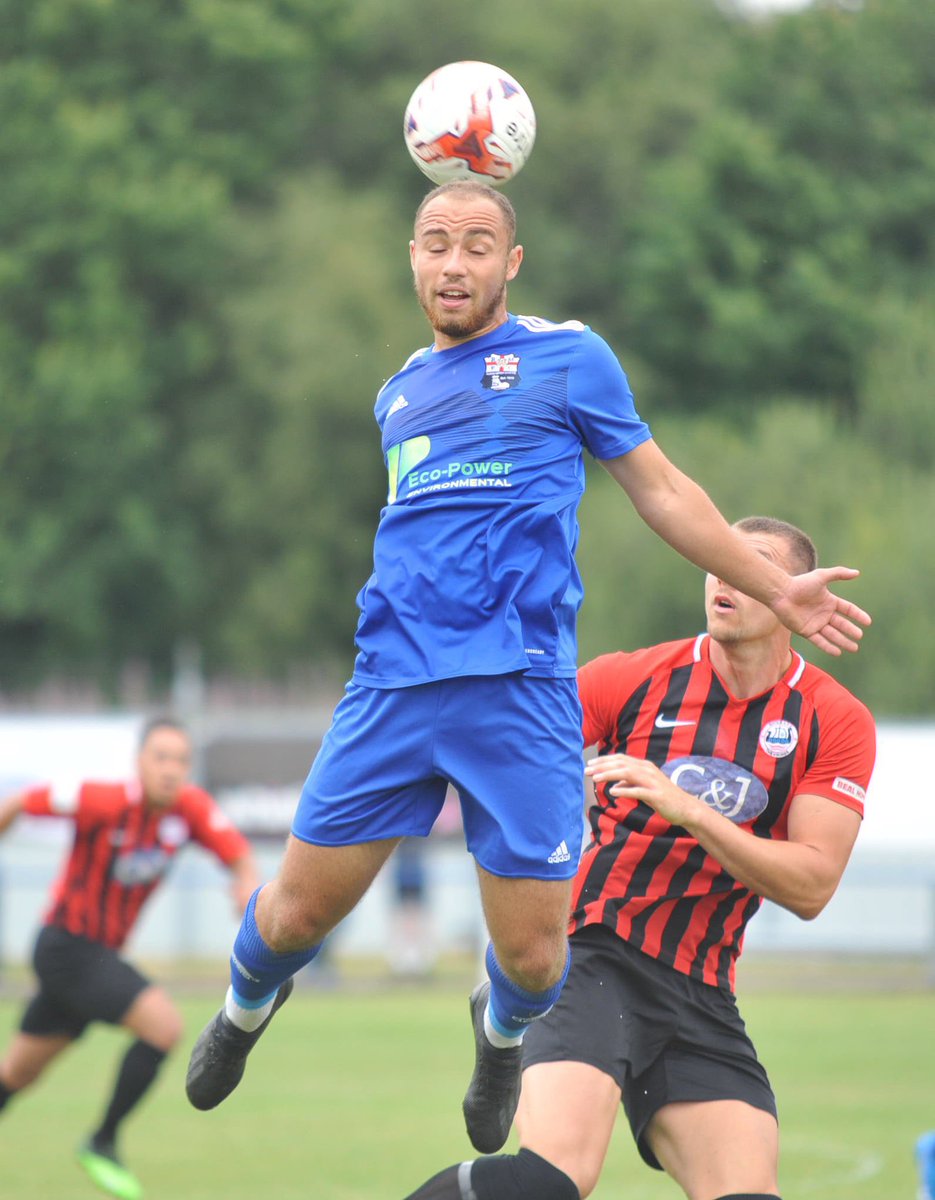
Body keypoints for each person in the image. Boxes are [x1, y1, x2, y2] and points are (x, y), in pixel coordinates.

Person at [183, 180, 870, 1160]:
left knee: (535, 958)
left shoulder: (568, 359)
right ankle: (243, 1011)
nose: (452, 263)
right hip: (393, 687)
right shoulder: (398, 389)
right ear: (411, 258)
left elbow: (664, 491)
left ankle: (498, 1036)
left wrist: (773, 581)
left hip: (519, 695)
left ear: (511, 263)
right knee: (293, 913)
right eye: (433, 243)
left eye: (474, 245)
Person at [402, 515, 876, 1200]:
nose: (724, 574)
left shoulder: (831, 719)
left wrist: (688, 809)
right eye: (717, 558)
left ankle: (499, 1010)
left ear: (792, 593)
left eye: (753, 564)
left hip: (700, 990)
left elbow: (811, 886)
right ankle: (510, 1003)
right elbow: (510, 748)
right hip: (594, 953)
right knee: (546, 1183)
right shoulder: (633, 677)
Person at [0, 716, 258, 1200]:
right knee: (163, 1026)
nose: (170, 769)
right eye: (160, 757)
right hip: (65, 947)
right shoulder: (103, 800)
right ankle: (102, 1141)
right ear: (138, 762)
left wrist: (244, 885)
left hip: (94, 959)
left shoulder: (189, 811)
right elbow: (21, 801)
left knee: (16, 1073)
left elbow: (238, 854)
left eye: (180, 760)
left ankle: (100, 1139)